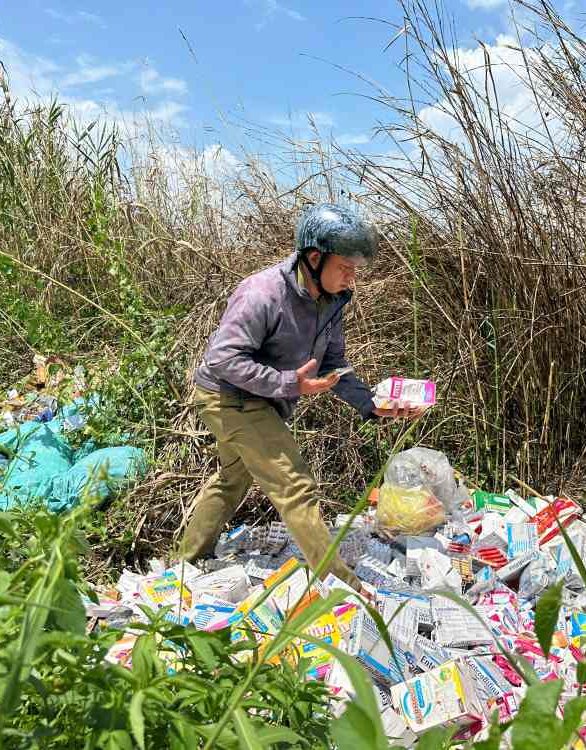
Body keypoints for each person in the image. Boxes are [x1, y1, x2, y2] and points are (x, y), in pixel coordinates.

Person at [179, 203, 423, 588]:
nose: (351, 278)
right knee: (295, 486)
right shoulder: (262, 293)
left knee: (233, 479)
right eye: (345, 267)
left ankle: (187, 564)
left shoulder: (331, 301)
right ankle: (341, 585)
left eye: (355, 269)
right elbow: (223, 358)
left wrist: (374, 405)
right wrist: (290, 384)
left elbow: (333, 364)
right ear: (314, 258)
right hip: (229, 395)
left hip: (263, 395)